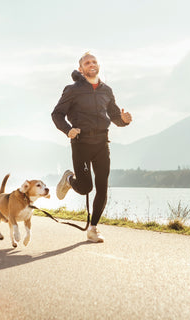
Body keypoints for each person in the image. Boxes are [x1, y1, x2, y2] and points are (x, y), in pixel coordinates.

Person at [52, 52, 132, 242]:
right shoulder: (72, 90)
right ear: (81, 69)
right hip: (81, 143)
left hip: (102, 144)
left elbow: (114, 116)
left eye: (94, 61)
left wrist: (123, 120)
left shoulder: (106, 91)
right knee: (86, 187)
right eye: (87, 62)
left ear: (98, 65)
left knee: (102, 187)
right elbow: (57, 114)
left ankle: (93, 228)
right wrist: (67, 130)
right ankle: (69, 179)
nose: (92, 64)